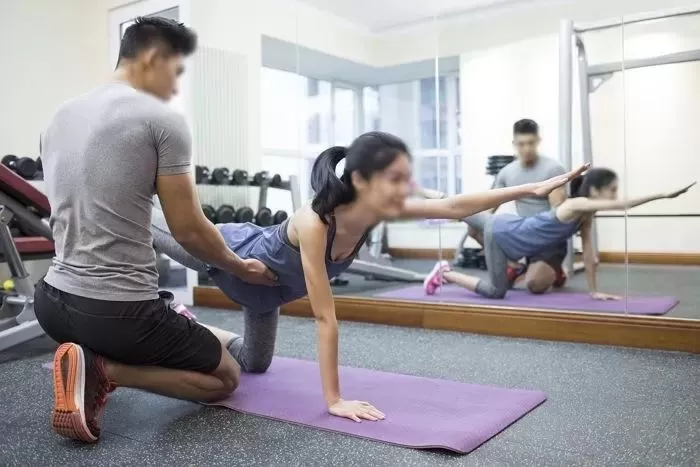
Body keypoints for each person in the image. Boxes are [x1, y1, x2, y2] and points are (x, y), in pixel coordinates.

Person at [151, 131, 588, 426]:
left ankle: (189, 322)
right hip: (227, 255)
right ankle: (124, 189)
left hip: (266, 293)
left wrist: (526, 191)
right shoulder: (315, 223)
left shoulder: (377, 211)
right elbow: (325, 319)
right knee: (147, 221)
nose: (404, 187)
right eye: (394, 178)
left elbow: (454, 207)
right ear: (360, 179)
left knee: (255, 364)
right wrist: (334, 400)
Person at [35, 17, 276, 444]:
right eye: (176, 71)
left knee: (161, 320)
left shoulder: (58, 116)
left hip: (52, 304)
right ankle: (105, 369)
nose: (175, 85)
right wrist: (240, 268)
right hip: (118, 313)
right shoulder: (160, 119)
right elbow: (189, 230)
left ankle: (91, 353)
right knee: (226, 377)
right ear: (153, 57)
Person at [423, 169, 695, 300]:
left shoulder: (584, 217)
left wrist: (595, 291)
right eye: (611, 189)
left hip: (505, 225)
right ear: (596, 191)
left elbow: (589, 255)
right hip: (503, 235)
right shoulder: (575, 205)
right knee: (496, 292)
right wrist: (663, 195)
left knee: (456, 207)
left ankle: (417, 192)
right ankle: (445, 273)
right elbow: (620, 205)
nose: (614, 195)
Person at [467, 119, 570, 293]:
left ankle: (557, 271)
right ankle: (514, 265)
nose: (526, 149)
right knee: (474, 229)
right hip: (522, 235)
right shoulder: (507, 172)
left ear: (538, 141)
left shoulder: (553, 169)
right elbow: (488, 205)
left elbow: (557, 216)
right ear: (514, 144)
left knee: (535, 285)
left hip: (548, 238)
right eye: (521, 144)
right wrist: (468, 217)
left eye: (531, 143)